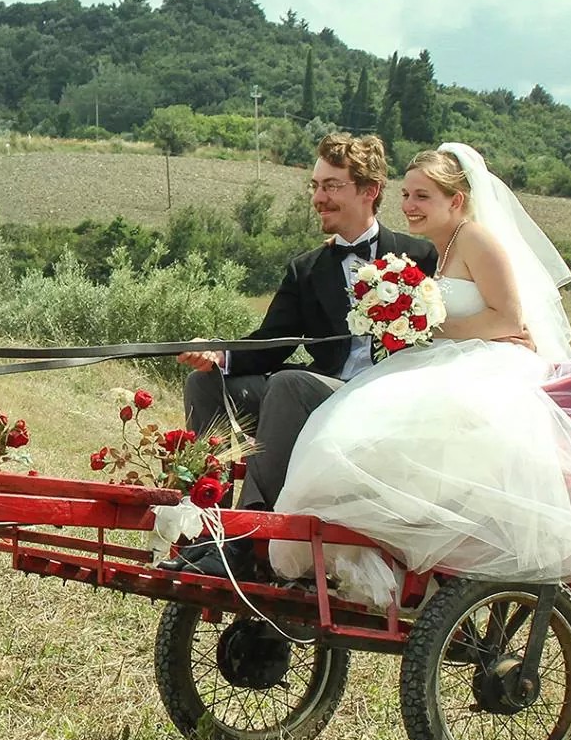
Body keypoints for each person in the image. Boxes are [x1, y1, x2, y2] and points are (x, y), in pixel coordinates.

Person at [265, 142, 571, 606]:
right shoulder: (436, 251)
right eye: (407, 196)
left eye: (422, 197)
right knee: (359, 423)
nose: (409, 207)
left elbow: (509, 320)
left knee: (401, 423)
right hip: (447, 355)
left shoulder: (477, 239)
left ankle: (407, 541)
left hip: (487, 361)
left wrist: (431, 328)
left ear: (456, 200)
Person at [166, 133, 434, 575]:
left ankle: (246, 539)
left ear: (369, 191)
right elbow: (274, 340)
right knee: (204, 381)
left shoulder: (419, 255)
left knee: (289, 384)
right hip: (326, 388)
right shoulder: (307, 268)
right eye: (315, 186)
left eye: (331, 186)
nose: (318, 198)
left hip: (387, 396)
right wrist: (220, 355)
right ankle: (202, 526)